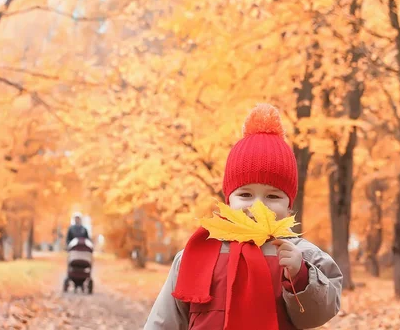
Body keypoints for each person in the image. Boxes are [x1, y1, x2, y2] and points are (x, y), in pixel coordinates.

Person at [144, 103, 343, 330]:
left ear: (290, 206)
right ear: (229, 200)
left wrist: (300, 277)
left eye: (273, 196)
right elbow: (165, 320)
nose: (258, 206)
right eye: (246, 194)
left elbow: (318, 314)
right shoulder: (197, 253)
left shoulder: (303, 255)